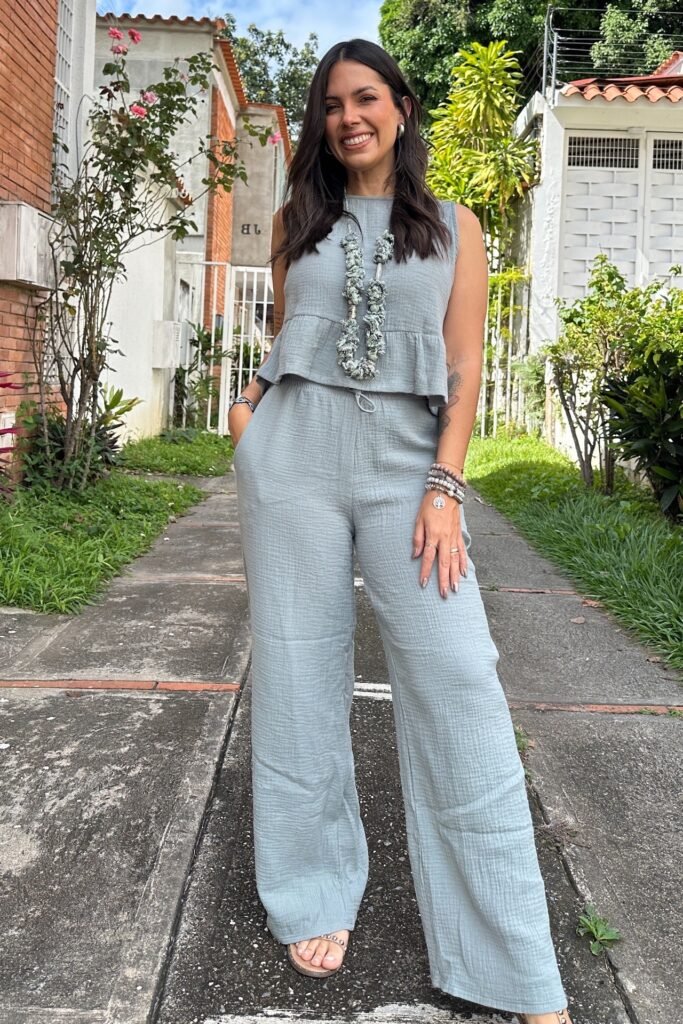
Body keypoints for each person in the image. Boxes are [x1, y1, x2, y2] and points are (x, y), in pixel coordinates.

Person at [227, 38, 573, 1024]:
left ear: (400, 106)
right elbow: (283, 341)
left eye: (364, 97)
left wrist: (442, 488)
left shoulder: (457, 228)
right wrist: (249, 424)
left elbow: (460, 372)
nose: (347, 117)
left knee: (460, 682)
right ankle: (308, 886)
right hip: (292, 459)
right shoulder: (299, 223)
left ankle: (511, 960)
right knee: (297, 676)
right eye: (331, 104)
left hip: (405, 472)